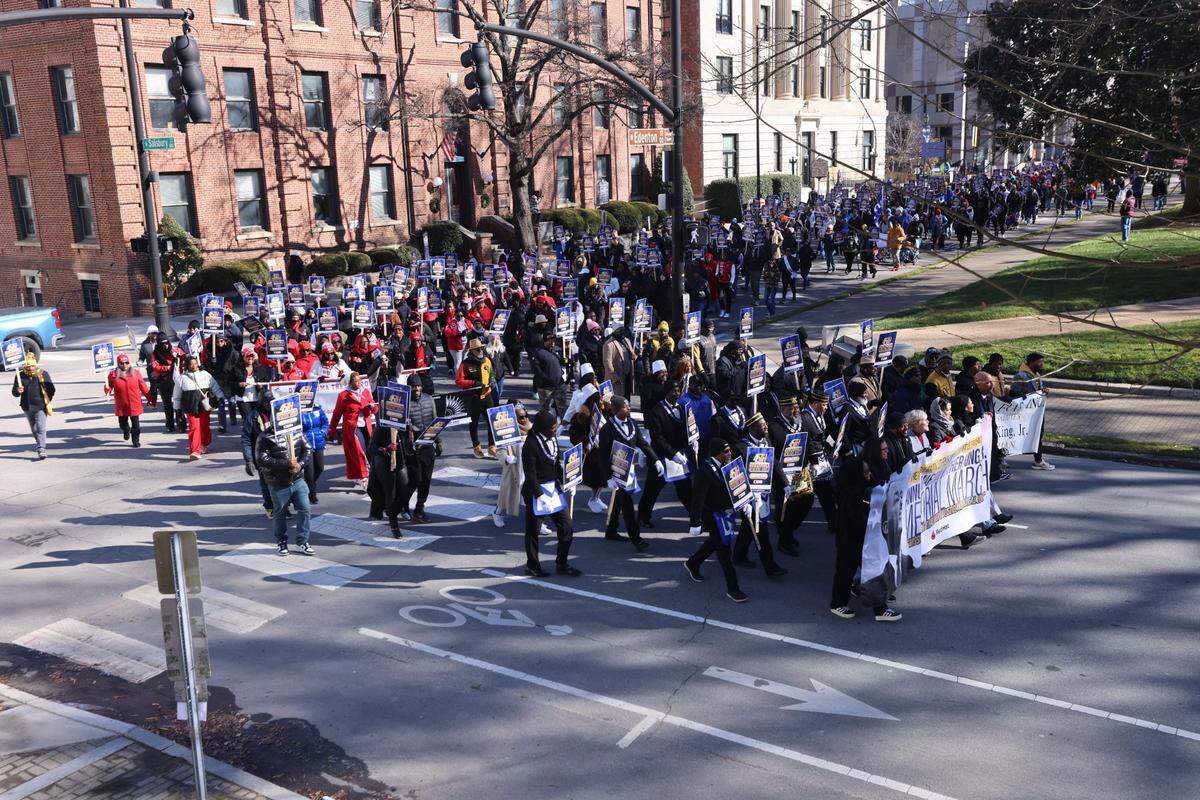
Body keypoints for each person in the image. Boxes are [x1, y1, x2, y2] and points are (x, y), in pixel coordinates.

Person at [829, 438, 901, 622]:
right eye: (883, 450)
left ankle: (880, 606)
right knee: (847, 565)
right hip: (851, 526)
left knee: (874, 565)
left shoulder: (881, 466)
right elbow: (843, 494)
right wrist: (865, 494)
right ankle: (838, 603)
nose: (886, 453)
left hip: (871, 527)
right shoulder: (852, 466)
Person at [683, 438, 747, 603]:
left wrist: (745, 502)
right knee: (724, 550)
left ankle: (693, 562)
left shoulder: (730, 465)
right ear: (717, 454)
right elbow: (697, 499)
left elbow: (738, 485)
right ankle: (733, 588)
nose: (729, 454)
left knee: (716, 541)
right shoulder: (705, 471)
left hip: (726, 512)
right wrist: (695, 522)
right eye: (726, 452)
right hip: (712, 514)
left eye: (729, 451)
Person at [521, 409, 580, 577]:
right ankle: (532, 565)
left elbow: (556, 465)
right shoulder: (530, 444)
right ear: (542, 428)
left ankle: (562, 562)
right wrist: (540, 496)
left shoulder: (552, 439)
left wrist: (568, 481)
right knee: (533, 530)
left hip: (553, 490)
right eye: (552, 427)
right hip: (536, 492)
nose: (555, 429)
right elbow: (530, 473)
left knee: (566, 526)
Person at [597, 396, 655, 552]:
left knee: (618, 502)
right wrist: (608, 477)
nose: (629, 408)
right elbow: (602, 455)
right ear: (616, 410)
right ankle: (636, 539)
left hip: (628, 470)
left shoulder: (632, 423)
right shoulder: (607, 429)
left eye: (628, 406)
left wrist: (655, 460)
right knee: (628, 506)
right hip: (616, 472)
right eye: (626, 407)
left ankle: (611, 530)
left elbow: (642, 443)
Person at [256, 419, 314, 555]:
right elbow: (262, 459)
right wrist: (286, 464)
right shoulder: (264, 437)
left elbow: (308, 450)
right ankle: (281, 542)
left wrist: (299, 465)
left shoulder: (296, 432)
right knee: (280, 513)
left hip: (298, 480)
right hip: (278, 483)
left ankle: (303, 541)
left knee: (305, 509)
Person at [400, 373, 437, 521]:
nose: (416, 389)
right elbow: (400, 429)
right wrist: (407, 445)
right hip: (412, 447)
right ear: (409, 388)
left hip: (428, 444)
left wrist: (438, 442)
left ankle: (420, 508)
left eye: (418, 386)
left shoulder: (429, 399)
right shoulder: (404, 403)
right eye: (413, 386)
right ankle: (403, 505)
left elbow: (435, 421)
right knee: (415, 479)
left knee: (426, 479)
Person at [328, 371, 376, 488]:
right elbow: (336, 415)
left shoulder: (365, 392)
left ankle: (365, 475)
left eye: (359, 380)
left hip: (366, 426)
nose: (358, 382)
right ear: (350, 382)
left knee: (370, 451)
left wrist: (372, 407)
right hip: (352, 428)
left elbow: (375, 408)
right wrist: (331, 432)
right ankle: (363, 477)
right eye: (355, 380)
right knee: (359, 452)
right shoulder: (343, 396)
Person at [172, 355, 223, 459]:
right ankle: (195, 451)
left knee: (204, 426)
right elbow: (177, 394)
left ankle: (204, 443)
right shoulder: (182, 378)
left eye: (195, 363)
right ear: (187, 365)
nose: (194, 366)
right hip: (190, 407)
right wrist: (177, 407)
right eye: (191, 364)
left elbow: (214, 386)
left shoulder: (205, 375)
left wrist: (220, 396)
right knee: (194, 428)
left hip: (204, 406)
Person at [1010, 351, 1054, 470]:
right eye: (1039, 362)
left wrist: (1043, 391)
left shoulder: (1036, 374)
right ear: (1032, 362)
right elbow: (1014, 392)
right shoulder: (1021, 376)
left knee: (1038, 435)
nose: (1042, 364)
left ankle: (1038, 459)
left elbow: (1038, 390)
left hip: (1037, 412)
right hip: (1026, 413)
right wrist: (1032, 395)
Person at [456, 335, 498, 458]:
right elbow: (459, 381)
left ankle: (492, 447)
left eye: (481, 349)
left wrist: (493, 381)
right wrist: (473, 383)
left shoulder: (487, 360)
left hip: (487, 396)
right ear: (471, 351)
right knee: (473, 423)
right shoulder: (465, 364)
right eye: (477, 349)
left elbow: (491, 374)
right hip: (473, 398)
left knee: (491, 422)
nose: (480, 351)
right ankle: (476, 447)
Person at [493, 403, 532, 528]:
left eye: (525, 416)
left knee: (532, 497)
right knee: (506, 495)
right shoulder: (508, 432)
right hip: (514, 469)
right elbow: (500, 450)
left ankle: (537, 523)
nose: (524, 419)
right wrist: (506, 458)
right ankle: (497, 513)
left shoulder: (532, 428)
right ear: (514, 419)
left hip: (529, 468)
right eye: (521, 417)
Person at [367, 421, 408, 535]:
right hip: (385, 465)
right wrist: (386, 449)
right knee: (391, 494)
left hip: (400, 464)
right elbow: (371, 448)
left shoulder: (404, 425)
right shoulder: (382, 425)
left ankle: (393, 511)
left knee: (406, 489)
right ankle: (394, 524)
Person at [11, 351, 54, 459]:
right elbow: (14, 393)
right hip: (27, 406)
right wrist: (18, 390)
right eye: (28, 366)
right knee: (34, 429)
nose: (30, 368)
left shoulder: (43, 374)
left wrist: (46, 400)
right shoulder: (20, 376)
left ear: (35, 365)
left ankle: (41, 449)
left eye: (32, 366)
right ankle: (39, 442)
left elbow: (51, 389)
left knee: (40, 428)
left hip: (40, 406)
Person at [105, 353, 153, 447]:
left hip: (134, 403)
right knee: (123, 424)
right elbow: (109, 387)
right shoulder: (113, 375)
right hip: (122, 404)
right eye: (122, 363)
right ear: (118, 364)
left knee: (136, 425)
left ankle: (135, 440)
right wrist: (107, 389)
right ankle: (126, 430)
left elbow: (144, 387)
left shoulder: (136, 373)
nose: (125, 365)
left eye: (126, 363)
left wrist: (150, 399)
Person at [300, 396, 329, 504]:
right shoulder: (298, 412)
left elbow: (325, 422)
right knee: (309, 471)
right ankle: (312, 493)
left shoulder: (317, 409)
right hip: (306, 445)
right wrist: (303, 441)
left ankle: (309, 484)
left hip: (318, 442)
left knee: (320, 468)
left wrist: (323, 432)